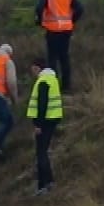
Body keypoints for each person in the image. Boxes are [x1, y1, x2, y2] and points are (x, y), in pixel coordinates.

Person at [35, 0, 83, 94]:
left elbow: (39, 8)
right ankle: (66, 86)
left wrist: (40, 21)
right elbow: (80, 8)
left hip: (52, 30)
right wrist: (72, 21)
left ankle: (53, 87)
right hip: (66, 30)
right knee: (64, 57)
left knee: (52, 58)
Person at [25, 58, 64, 196]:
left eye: (33, 69)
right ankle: (47, 182)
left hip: (45, 121)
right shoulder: (53, 79)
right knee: (43, 151)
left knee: (41, 153)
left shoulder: (42, 82)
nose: (33, 73)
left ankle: (45, 184)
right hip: (53, 118)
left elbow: (42, 104)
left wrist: (38, 124)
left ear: (38, 68)